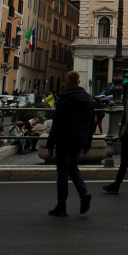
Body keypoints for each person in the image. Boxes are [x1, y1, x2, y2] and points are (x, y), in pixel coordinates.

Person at [45, 70, 95, 217]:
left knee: (62, 172)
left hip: (64, 140)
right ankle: (83, 191)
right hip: (79, 140)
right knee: (73, 167)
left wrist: (49, 145)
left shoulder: (64, 99)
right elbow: (91, 123)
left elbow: (57, 124)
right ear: (79, 82)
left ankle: (61, 206)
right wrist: (88, 143)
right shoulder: (88, 99)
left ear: (67, 83)